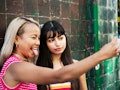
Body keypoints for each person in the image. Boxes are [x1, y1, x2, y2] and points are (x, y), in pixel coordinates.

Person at [0, 16, 119, 90]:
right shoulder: (16, 67)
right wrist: (102, 54)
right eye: (33, 37)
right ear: (16, 39)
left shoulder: (23, 65)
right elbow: (59, 76)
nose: (37, 43)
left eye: (38, 38)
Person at [36, 20, 87, 90]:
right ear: (44, 43)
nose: (57, 44)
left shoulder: (77, 66)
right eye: (51, 40)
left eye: (60, 38)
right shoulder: (37, 70)